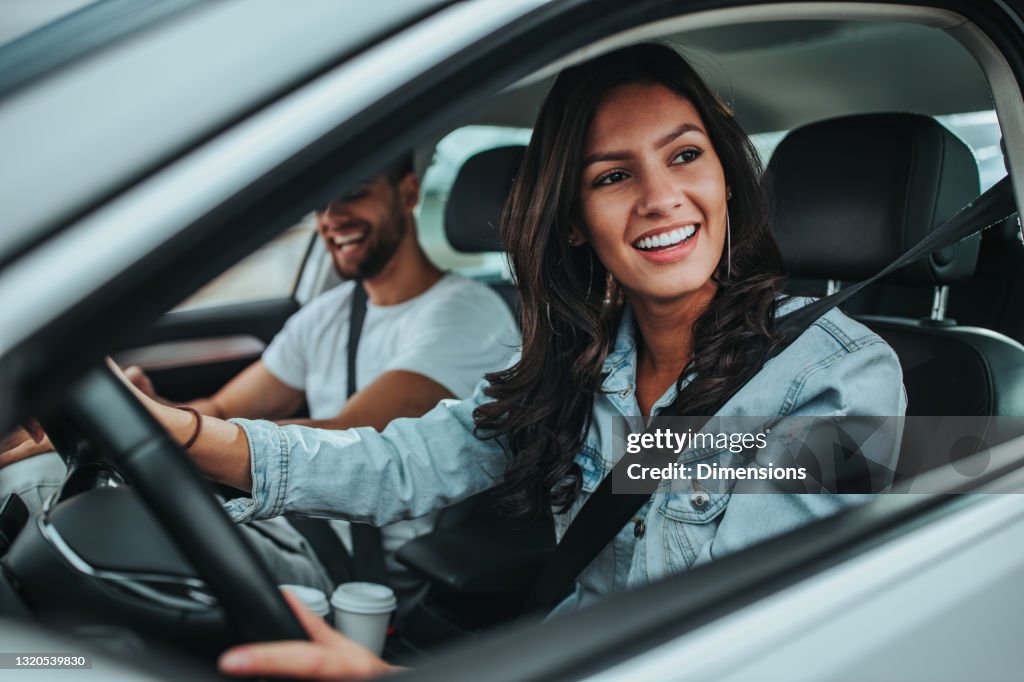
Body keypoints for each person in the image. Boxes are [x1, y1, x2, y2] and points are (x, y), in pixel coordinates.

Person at [56, 43, 906, 679]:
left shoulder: (839, 378)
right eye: (613, 176)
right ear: (573, 220)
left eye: (686, 155)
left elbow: (747, 652)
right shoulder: (577, 368)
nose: (660, 198)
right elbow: (394, 462)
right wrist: (175, 431)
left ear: (724, 176)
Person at [0, 154, 520, 599]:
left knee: (48, 499)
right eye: (322, 202)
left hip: (359, 567)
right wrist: (135, 415)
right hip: (278, 517)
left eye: (354, 194)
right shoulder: (330, 311)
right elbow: (225, 409)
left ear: (407, 192)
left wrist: (162, 428)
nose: (332, 217)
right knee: (42, 487)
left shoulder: (465, 316)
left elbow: (353, 436)